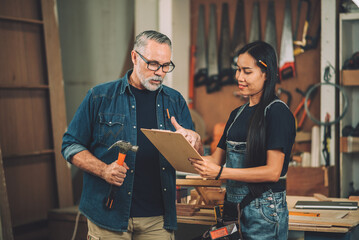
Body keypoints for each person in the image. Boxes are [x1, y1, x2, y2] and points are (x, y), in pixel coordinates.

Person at [62, 30, 202, 239]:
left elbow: (193, 160)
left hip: (158, 219)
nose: (160, 72)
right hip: (108, 215)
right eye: (153, 64)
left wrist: (195, 141)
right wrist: (103, 170)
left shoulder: (175, 101)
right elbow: (70, 145)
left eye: (166, 66)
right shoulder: (99, 97)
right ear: (135, 57)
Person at [189, 41, 296, 240]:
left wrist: (221, 172)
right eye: (238, 70)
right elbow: (215, 159)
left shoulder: (277, 113)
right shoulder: (236, 114)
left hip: (264, 210)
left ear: (266, 73)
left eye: (247, 71)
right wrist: (186, 147)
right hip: (234, 208)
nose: (239, 77)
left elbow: (273, 172)